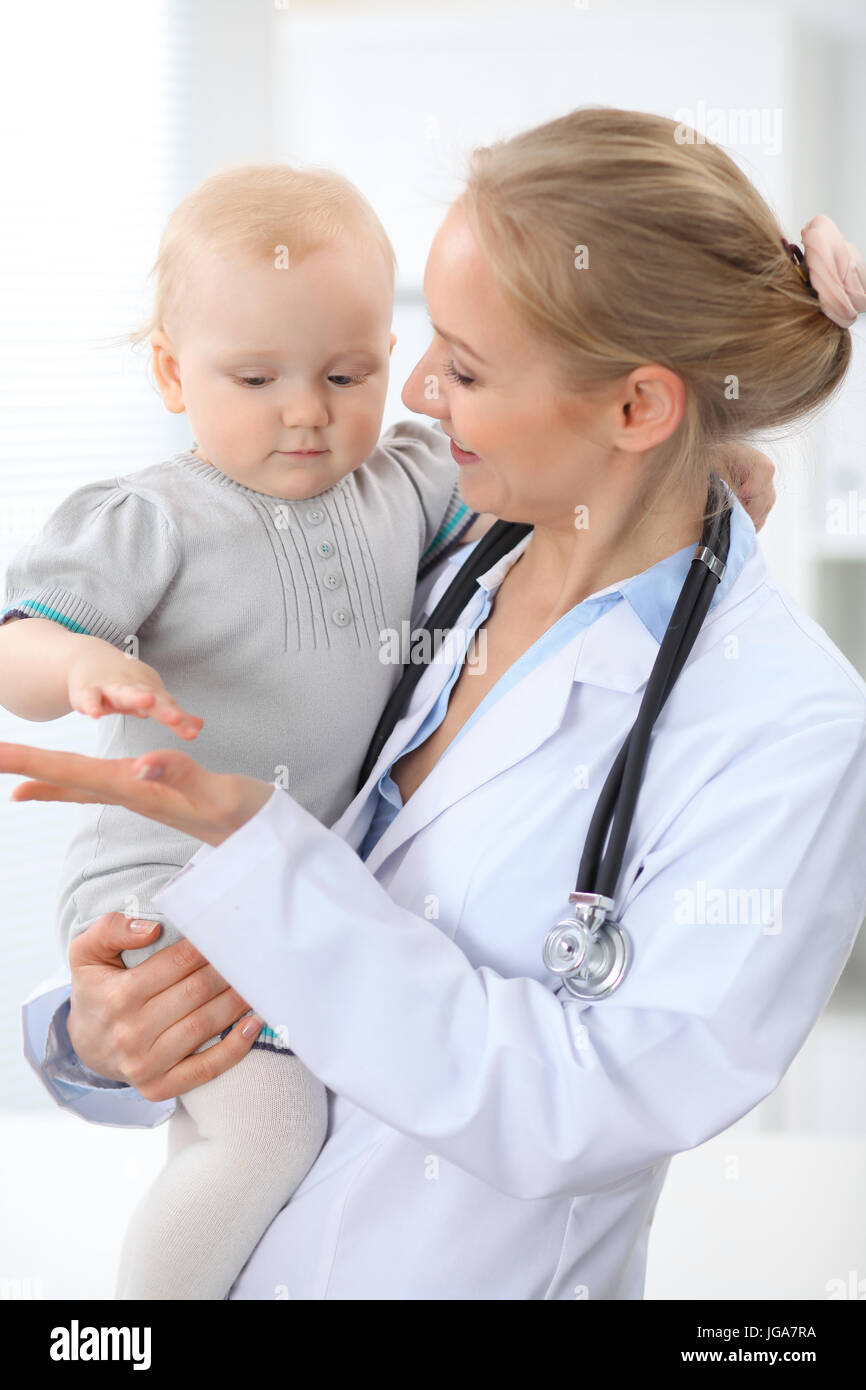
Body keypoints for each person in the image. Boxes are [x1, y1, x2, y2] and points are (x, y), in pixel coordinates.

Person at [9, 107, 866, 1301]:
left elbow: (582, 1105)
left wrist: (261, 869)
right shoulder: (428, 555)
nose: (407, 390)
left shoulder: (782, 730)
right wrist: (109, 1031)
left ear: (634, 410)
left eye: (460, 365)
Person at [0, 162, 483, 1300]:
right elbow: (13, 649)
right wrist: (84, 666)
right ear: (172, 372)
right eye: (255, 377)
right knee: (265, 1128)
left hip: (291, 881)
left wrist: (720, 458)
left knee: (238, 1132)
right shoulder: (152, 518)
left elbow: (553, 477)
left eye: (345, 372)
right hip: (165, 876)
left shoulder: (402, 483)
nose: (307, 410)